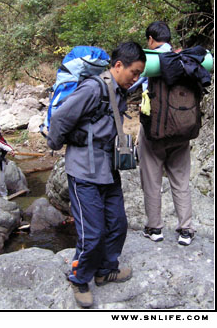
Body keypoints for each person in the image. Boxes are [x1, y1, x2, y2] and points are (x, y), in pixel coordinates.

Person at [47, 41, 146, 308]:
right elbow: (60, 120)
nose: (135, 78)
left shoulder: (119, 90)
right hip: (83, 170)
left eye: (139, 74)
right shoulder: (93, 88)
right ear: (117, 66)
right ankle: (79, 278)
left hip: (107, 167)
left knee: (118, 224)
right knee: (92, 233)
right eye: (133, 72)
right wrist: (55, 145)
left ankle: (105, 269)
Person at [137, 21, 196, 246]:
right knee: (181, 180)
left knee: (151, 178)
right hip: (183, 129)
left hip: (155, 130)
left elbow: (132, 84)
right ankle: (186, 230)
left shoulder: (152, 62)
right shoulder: (185, 59)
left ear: (151, 39)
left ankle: (154, 228)